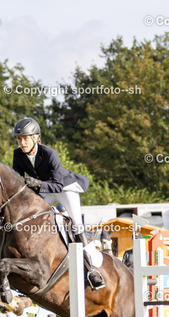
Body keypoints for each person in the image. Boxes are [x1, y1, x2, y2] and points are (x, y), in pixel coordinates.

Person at [11, 117, 105, 290]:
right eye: (19, 139)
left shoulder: (49, 153)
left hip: (64, 188)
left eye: (25, 138)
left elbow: (57, 185)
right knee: (32, 218)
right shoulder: (18, 154)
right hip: (46, 191)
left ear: (36, 138)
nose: (22, 143)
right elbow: (17, 180)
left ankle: (92, 269)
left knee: (76, 224)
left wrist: (37, 184)